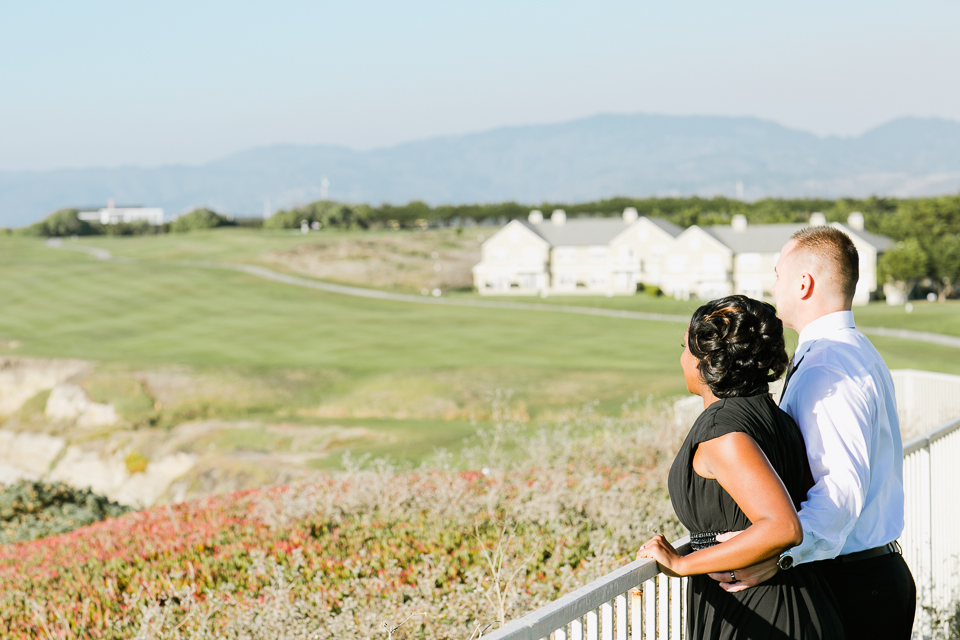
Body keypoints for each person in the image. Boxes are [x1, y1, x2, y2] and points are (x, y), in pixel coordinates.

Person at [706, 227, 916, 640]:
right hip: (866, 576)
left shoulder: (828, 366)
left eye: (778, 273)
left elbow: (839, 492)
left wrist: (779, 554)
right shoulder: (852, 349)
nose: (773, 284)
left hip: (853, 586)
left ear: (803, 284)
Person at [637, 295, 843, 640]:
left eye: (687, 349)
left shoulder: (723, 432)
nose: (683, 358)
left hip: (764, 613)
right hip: (796, 600)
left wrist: (681, 564)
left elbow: (783, 527)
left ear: (706, 361)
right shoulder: (773, 416)